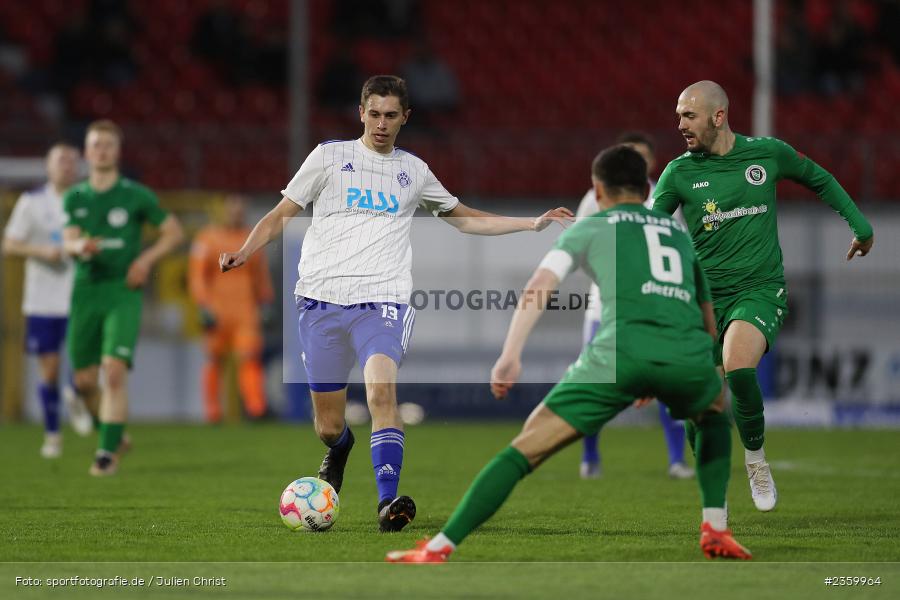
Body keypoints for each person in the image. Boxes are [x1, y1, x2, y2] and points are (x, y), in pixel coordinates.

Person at [219, 75, 572, 532]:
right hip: (321, 300)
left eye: (390, 115)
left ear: (406, 117)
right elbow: (281, 213)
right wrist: (246, 251)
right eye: (374, 114)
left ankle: (389, 504)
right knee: (327, 426)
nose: (381, 124)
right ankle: (340, 448)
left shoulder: (414, 172)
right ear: (360, 112)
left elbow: (463, 219)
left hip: (382, 301)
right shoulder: (329, 157)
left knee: (382, 393)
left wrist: (530, 224)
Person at [386, 145, 750, 562]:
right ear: (645, 185)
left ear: (598, 189)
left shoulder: (595, 225)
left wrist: (510, 354)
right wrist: (694, 370)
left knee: (526, 447)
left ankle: (438, 547)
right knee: (715, 414)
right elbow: (705, 310)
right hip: (686, 355)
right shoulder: (677, 234)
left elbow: (540, 286)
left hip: (620, 355)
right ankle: (716, 528)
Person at [652, 81, 874, 511]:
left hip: (759, 290)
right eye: (678, 115)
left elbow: (820, 179)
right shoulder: (679, 173)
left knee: (738, 368)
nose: (679, 124)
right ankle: (713, 489)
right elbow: (647, 227)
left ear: (719, 116)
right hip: (703, 301)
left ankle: (756, 460)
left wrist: (860, 227)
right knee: (702, 407)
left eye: (688, 115)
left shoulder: (767, 154)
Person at [62, 119, 184, 476]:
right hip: (86, 291)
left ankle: (105, 455)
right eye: (95, 144)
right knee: (84, 381)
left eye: (108, 145)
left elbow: (174, 232)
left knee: (113, 372)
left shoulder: (136, 195)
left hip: (122, 291)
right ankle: (113, 434)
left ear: (117, 151)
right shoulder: (76, 196)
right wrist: (78, 246)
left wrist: (144, 261)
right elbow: (68, 240)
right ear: (86, 152)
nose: (101, 150)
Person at [576, 132, 693, 481]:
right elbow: (581, 246)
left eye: (640, 157)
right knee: (595, 386)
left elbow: (679, 248)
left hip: (656, 307)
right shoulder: (593, 198)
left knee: (670, 385)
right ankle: (590, 456)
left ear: (652, 163)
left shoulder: (663, 195)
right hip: (604, 308)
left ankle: (676, 460)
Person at [2, 143, 92, 457]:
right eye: (60, 160)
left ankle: (76, 394)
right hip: (42, 298)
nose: (67, 166)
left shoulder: (88, 198)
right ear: (48, 166)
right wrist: (41, 252)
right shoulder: (31, 202)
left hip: (81, 294)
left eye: (72, 161)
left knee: (84, 369)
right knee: (49, 369)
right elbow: (9, 245)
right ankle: (53, 434)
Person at [189, 194, 274, 423]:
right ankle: (213, 412)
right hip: (217, 310)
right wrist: (203, 305)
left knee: (249, 358)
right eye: (232, 208)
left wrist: (265, 301)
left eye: (240, 208)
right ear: (224, 210)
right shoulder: (207, 238)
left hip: (245, 311)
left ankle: (256, 409)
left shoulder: (250, 239)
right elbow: (197, 277)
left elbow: (261, 276)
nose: (236, 213)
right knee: (214, 359)